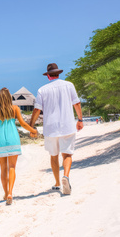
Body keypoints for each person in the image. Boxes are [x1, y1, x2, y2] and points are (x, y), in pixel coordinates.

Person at [29, 63, 84, 195]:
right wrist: (80, 119)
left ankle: (58, 183)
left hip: (50, 128)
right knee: (67, 154)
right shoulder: (69, 85)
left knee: (54, 156)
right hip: (67, 126)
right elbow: (76, 103)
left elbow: (37, 109)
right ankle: (66, 176)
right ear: (58, 74)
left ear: (48, 76)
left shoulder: (42, 90)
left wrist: (31, 125)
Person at [0, 88, 38, 205]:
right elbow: (23, 124)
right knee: (12, 167)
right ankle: (10, 193)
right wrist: (33, 130)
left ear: (0, 97)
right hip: (13, 140)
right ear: (9, 97)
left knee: (3, 169)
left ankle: (5, 193)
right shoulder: (15, 109)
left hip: (0, 141)